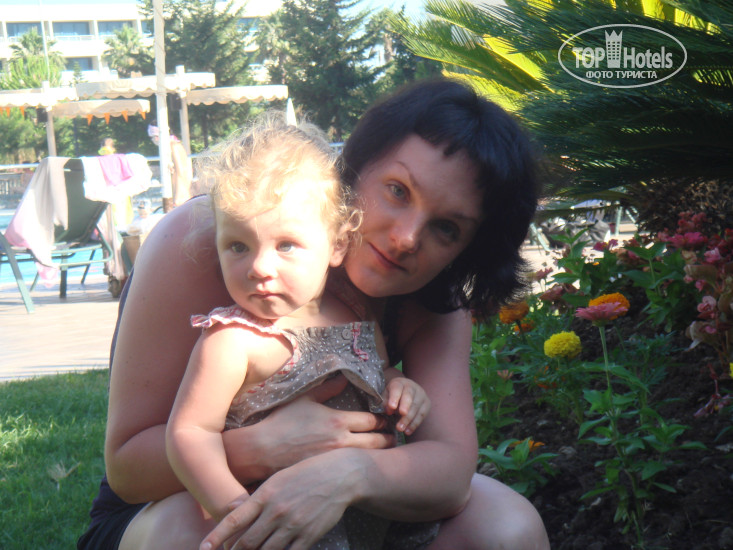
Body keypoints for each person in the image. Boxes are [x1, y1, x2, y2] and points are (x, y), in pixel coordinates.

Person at [77, 78, 550, 550]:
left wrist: (348, 472)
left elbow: (451, 475)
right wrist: (262, 449)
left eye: (446, 228)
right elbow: (128, 471)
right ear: (355, 168)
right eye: (398, 191)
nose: (406, 238)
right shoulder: (215, 236)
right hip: (175, 506)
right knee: (201, 533)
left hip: (347, 518)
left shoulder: (432, 299)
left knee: (505, 527)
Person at [166, 115, 433, 547]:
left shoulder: (354, 314)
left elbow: (380, 371)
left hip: (367, 511)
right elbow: (190, 433)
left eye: (286, 245)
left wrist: (401, 387)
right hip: (283, 523)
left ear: (338, 245)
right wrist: (236, 511)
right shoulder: (233, 340)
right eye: (238, 246)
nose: (259, 267)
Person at [148, 124, 194, 212]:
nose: (153, 140)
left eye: (153, 137)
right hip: (182, 193)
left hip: (181, 195)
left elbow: (180, 172)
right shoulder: (174, 145)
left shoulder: (173, 146)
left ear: (158, 136)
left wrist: (177, 197)